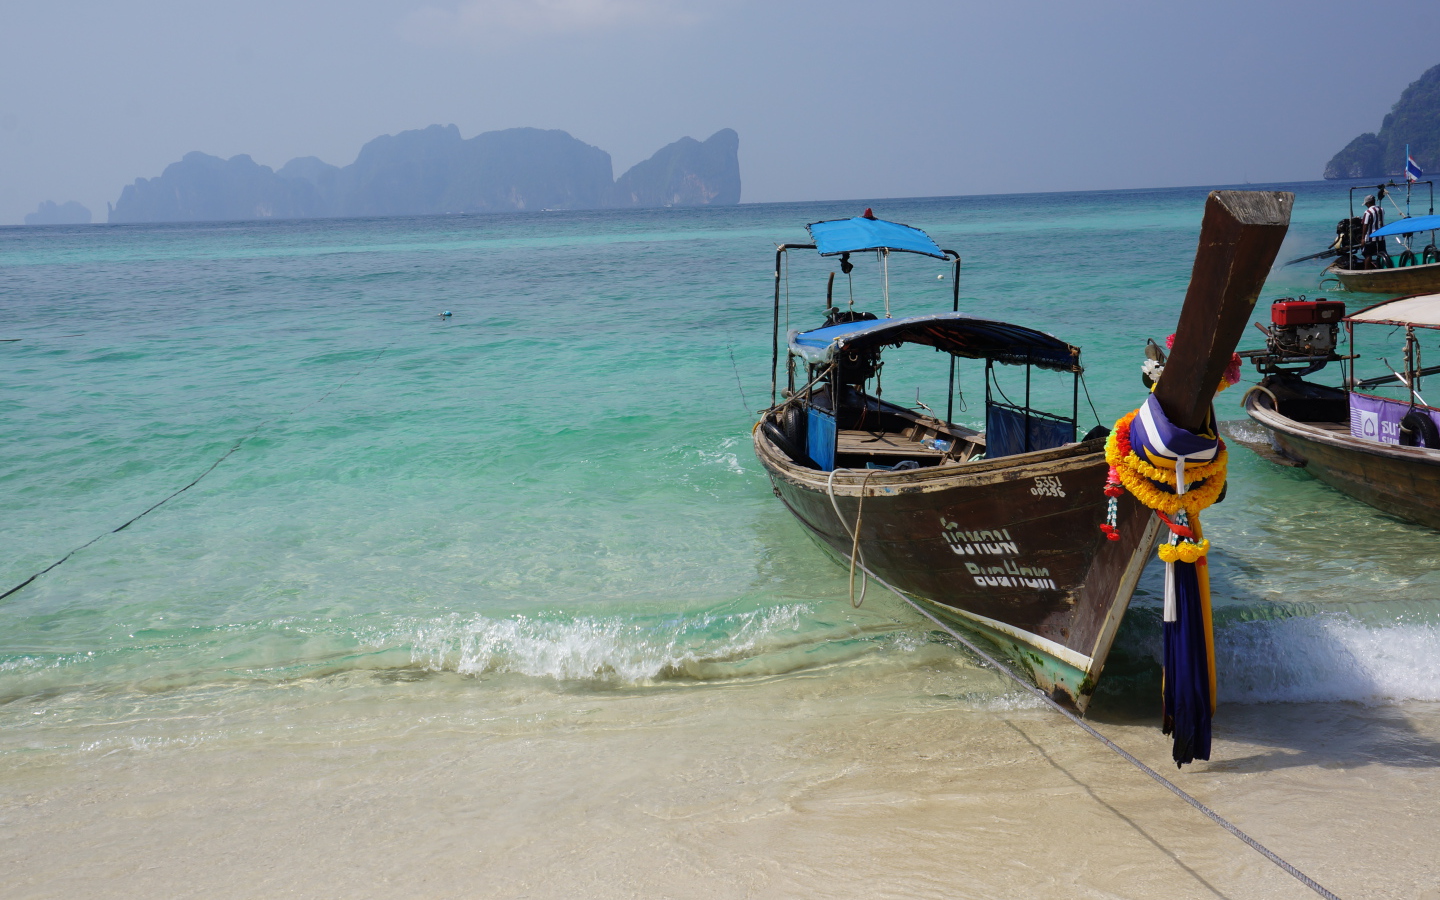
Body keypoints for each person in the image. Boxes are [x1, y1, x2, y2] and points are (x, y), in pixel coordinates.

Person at [1361, 193, 1388, 267]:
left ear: (1368, 203)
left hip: (1370, 237)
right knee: (1382, 253)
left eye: (1366, 204)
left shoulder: (1368, 212)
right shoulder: (1381, 209)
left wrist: (1363, 238)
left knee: (1368, 255)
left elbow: (1365, 225)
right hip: (1381, 236)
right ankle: (1383, 267)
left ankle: (1366, 272)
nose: (1366, 205)